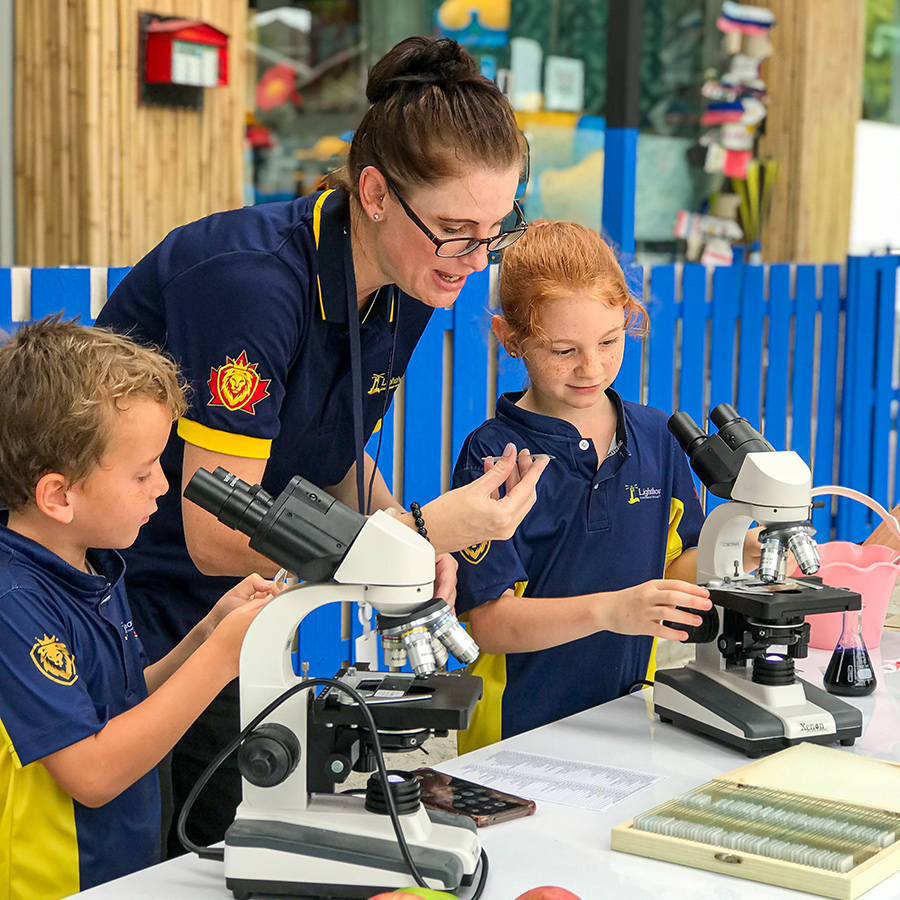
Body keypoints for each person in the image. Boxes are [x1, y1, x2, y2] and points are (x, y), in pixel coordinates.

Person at [95, 35, 547, 853]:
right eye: (454, 230)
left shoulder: (408, 282)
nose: (475, 263)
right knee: (175, 849)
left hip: (239, 605)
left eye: (495, 230)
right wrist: (415, 532)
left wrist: (410, 550)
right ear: (373, 191)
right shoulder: (248, 282)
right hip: (129, 596)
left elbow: (333, 452)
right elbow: (212, 532)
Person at [0, 318, 280, 900]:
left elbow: (114, 706)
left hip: (123, 872)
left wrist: (204, 636)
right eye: (142, 471)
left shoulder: (92, 563)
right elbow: (92, 773)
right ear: (59, 495)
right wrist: (221, 661)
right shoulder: (14, 604)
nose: (162, 485)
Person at [451, 222, 758, 753]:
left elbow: (671, 569)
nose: (590, 367)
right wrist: (611, 610)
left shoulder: (657, 438)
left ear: (628, 321)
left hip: (628, 716)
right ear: (510, 338)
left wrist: (740, 551)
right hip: (513, 734)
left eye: (609, 341)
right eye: (563, 350)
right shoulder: (493, 456)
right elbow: (490, 624)